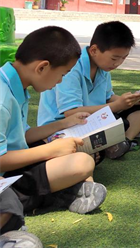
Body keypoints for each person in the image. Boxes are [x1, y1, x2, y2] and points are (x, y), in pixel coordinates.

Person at [1, 26, 106, 215]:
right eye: (62, 74)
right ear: (42, 67)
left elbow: (22, 135)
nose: (59, 82)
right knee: (81, 162)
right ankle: (58, 194)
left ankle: (64, 191)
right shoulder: (2, 98)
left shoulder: (16, 85)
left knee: (81, 157)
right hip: (5, 175)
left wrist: (64, 124)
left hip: (14, 161)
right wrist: (51, 150)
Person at [38, 21, 140, 160]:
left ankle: (124, 141)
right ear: (94, 50)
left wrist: (129, 100)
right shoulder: (71, 68)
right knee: (118, 121)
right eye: (114, 58)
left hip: (93, 118)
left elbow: (108, 97)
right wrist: (116, 105)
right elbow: (70, 112)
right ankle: (113, 144)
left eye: (123, 58)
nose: (118, 63)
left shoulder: (103, 67)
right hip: (63, 125)